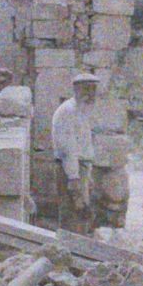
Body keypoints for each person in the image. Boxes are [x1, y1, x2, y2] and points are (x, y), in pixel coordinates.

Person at [50, 70, 101, 218]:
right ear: (77, 90)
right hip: (71, 170)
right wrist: (74, 178)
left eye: (93, 89)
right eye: (87, 89)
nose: (91, 94)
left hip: (81, 168)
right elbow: (68, 149)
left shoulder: (81, 110)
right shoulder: (68, 111)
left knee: (81, 216)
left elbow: (84, 144)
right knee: (73, 215)